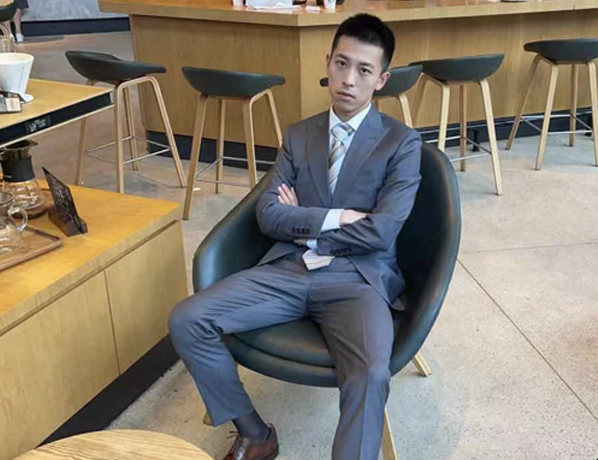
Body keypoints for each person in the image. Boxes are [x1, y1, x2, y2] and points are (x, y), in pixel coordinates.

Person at [169, 13, 422, 460]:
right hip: (289, 269)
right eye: (341, 63)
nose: (349, 80)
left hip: (356, 279)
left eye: (364, 70)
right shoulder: (299, 135)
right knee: (188, 319)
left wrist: (303, 221)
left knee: (369, 373)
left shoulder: (400, 143)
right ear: (327, 62)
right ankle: (255, 434)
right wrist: (337, 217)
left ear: (381, 79)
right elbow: (268, 216)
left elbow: (383, 230)